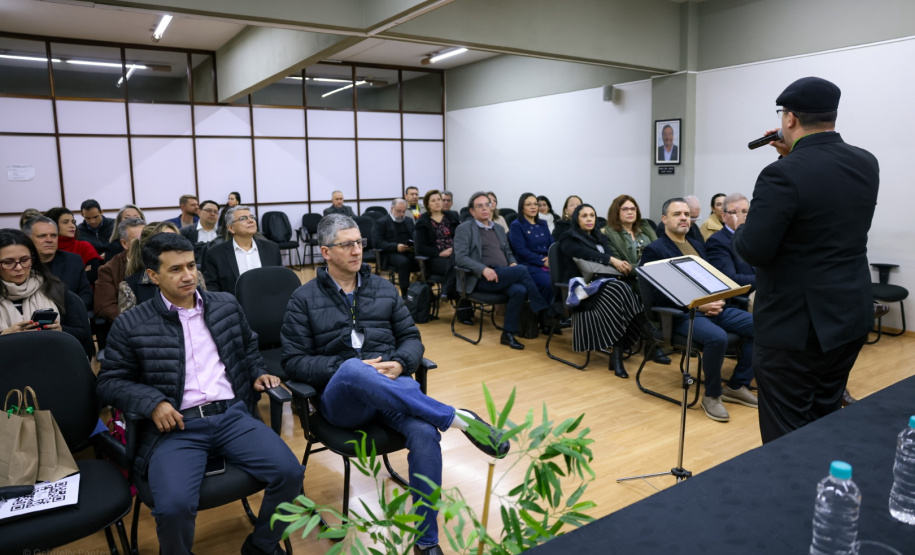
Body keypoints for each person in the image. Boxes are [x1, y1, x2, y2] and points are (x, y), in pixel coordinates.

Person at [280, 214, 509, 555]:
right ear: (326, 252)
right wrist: (344, 366)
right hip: (342, 402)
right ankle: (456, 417)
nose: (357, 251)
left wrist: (400, 362)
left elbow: (412, 340)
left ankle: (426, 543)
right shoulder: (304, 298)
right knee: (355, 369)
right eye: (347, 244)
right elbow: (293, 362)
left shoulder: (385, 289)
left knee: (425, 434)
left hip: (391, 394)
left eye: (360, 243)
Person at [97, 232, 303, 555]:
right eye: (176, 269)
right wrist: (153, 403)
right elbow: (109, 382)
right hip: (177, 428)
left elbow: (248, 346)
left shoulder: (224, 304)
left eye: (191, 265)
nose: (189, 275)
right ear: (153, 276)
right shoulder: (132, 324)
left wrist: (258, 372)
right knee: (174, 508)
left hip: (231, 415)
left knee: (291, 474)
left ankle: (261, 546)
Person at [732, 76, 879, 443]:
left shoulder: (781, 175)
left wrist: (738, 226)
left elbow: (754, 249)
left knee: (786, 433)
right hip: (848, 317)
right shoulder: (865, 163)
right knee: (823, 417)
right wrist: (791, 154)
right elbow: (820, 210)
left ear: (790, 119)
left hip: (796, 327)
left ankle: (792, 498)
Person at [640, 198, 757, 423]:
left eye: (686, 214)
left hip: (713, 307)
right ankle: (712, 396)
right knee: (717, 338)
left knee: (760, 325)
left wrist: (718, 298)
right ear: (664, 219)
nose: (684, 217)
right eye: (677, 214)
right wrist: (697, 304)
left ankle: (736, 385)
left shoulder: (697, 244)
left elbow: (709, 280)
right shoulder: (655, 250)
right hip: (683, 313)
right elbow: (657, 294)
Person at [559, 204, 663, 377]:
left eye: (592, 215)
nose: (589, 219)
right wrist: (612, 259)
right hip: (585, 289)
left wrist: (612, 262)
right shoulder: (568, 237)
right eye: (584, 216)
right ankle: (648, 332)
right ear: (576, 219)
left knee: (619, 292)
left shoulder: (600, 237)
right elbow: (581, 253)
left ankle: (617, 357)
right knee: (620, 288)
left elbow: (606, 265)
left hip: (605, 284)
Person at [453, 192, 551, 350]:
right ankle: (539, 305)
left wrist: (512, 262)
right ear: (472, 211)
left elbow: (509, 253)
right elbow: (461, 258)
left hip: (501, 274)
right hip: (479, 278)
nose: (485, 208)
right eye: (480, 206)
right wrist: (483, 269)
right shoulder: (464, 229)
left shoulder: (498, 228)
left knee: (519, 290)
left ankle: (508, 334)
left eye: (487, 204)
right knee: (523, 270)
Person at [0, 229, 91, 352]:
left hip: (53, 362)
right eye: (8, 262)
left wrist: (60, 331)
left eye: (25, 260)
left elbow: (83, 335)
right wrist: (4, 338)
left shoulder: (52, 287)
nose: (19, 267)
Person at [204, 206, 280, 294]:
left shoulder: (271, 248)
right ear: (231, 228)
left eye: (252, 217)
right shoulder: (215, 254)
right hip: (233, 305)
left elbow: (279, 278)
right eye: (243, 218)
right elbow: (212, 287)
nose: (251, 220)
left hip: (269, 301)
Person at [22, 216, 92, 309]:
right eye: (42, 236)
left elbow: (86, 295)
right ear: (28, 239)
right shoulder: (21, 265)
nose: (49, 240)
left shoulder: (73, 260)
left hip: (69, 317)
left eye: (54, 235)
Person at [119, 222, 185, 313]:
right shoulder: (129, 287)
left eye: (177, 241)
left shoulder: (193, 276)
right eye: (168, 243)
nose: (175, 247)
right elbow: (129, 325)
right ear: (149, 250)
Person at [601, 195, 657, 294]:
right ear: (616, 212)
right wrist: (648, 268)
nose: (630, 212)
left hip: (654, 276)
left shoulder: (645, 230)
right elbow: (622, 267)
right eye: (625, 209)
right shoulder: (609, 234)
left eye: (633, 209)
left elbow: (658, 253)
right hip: (631, 282)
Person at [94, 217, 145, 322]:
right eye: (138, 240)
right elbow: (105, 306)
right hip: (129, 324)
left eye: (146, 237)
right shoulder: (109, 269)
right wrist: (132, 321)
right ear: (124, 243)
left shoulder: (158, 261)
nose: (144, 243)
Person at [508, 193, 554, 311]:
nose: (533, 207)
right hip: (528, 265)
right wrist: (541, 261)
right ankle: (544, 317)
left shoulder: (542, 223)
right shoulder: (516, 225)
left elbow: (552, 244)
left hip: (548, 262)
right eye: (529, 204)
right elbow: (521, 250)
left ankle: (556, 315)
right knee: (548, 284)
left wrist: (550, 257)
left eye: (535, 204)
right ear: (521, 207)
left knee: (565, 280)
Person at [413, 190, 459, 300]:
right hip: (434, 258)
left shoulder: (451, 216)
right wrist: (440, 253)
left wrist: (454, 249)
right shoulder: (423, 221)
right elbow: (420, 248)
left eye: (439, 199)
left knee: (460, 265)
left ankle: (446, 289)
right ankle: (463, 313)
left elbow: (460, 235)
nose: (437, 202)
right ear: (427, 204)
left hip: (455, 254)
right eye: (433, 201)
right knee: (458, 269)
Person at [705, 193, 755, 292]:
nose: (741, 216)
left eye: (744, 211)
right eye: (734, 212)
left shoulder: (755, 235)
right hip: (744, 297)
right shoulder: (717, 241)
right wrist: (766, 279)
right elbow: (730, 279)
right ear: (724, 216)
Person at [45, 206, 102, 286]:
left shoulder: (84, 246)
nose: (72, 226)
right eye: (65, 222)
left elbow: (94, 274)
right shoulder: (46, 248)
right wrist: (81, 273)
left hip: (84, 294)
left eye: (73, 222)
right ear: (53, 224)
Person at [372, 199, 418, 297]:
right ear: (392, 209)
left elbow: (415, 237)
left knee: (421, 258)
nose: (401, 214)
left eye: (403, 211)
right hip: (389, 253)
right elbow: (377, 243)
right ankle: (405, 292)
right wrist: (396, 247)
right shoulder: (382, 222)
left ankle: (421, 287)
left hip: (408, 250)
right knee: (404, 262)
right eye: (398, 211)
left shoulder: (409, 221)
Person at [181, 200, 221, 273]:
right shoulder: (185, 232)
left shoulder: (224, 233)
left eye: (216, 212)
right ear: (199, 212)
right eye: (208, 210)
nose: (212, 214)